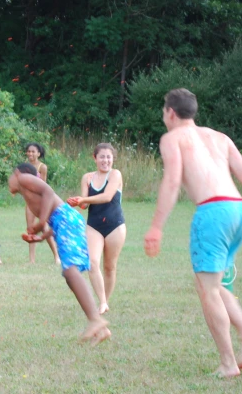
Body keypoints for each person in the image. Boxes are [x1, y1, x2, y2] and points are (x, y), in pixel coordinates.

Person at [144, 88, 242, 378]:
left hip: (212, 213)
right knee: (218, 286)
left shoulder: (173, 138)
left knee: (208, 289)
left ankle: (227, 364)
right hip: (237, 208)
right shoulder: (219, 137)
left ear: (171, 112)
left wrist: (156, 227)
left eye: (164, 111)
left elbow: (173, 182)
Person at [11, 163, 110, 345]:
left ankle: (96, 320)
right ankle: (101, 329)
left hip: (67, 220)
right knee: (69, 274)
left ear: (19, 174)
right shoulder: (28, 194)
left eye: (11, 175)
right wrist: (41, 238)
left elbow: (49, 192)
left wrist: (40, 223)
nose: (9, 180)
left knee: (70, 271)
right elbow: (53, 215)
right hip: (63, 222)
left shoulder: (23, 179)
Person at [67, 143, 125, 315]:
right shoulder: (87, 177)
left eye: (108, 157)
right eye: (102, 157)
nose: (105, 160)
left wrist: (84, 199)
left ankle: (105, 302)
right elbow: (85, 204)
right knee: (92, 263)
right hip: (94, 225)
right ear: (95, 158)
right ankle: (102, 302)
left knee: (109, 267)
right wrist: (76, 202)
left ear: (113, 159)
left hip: (115, 225)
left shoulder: (115, 174)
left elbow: (107, 197)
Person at [24, 142, 60, 264]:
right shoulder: (24, 167)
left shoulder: (42, 167)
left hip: (39, 202)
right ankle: (32, 260)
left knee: (44, 228)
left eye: (33, 151)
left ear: (38, 153)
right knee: (30, 229)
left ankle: (56, 256)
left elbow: (44, 187)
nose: (30, 154)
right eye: (29, 151)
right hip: (29, 202)